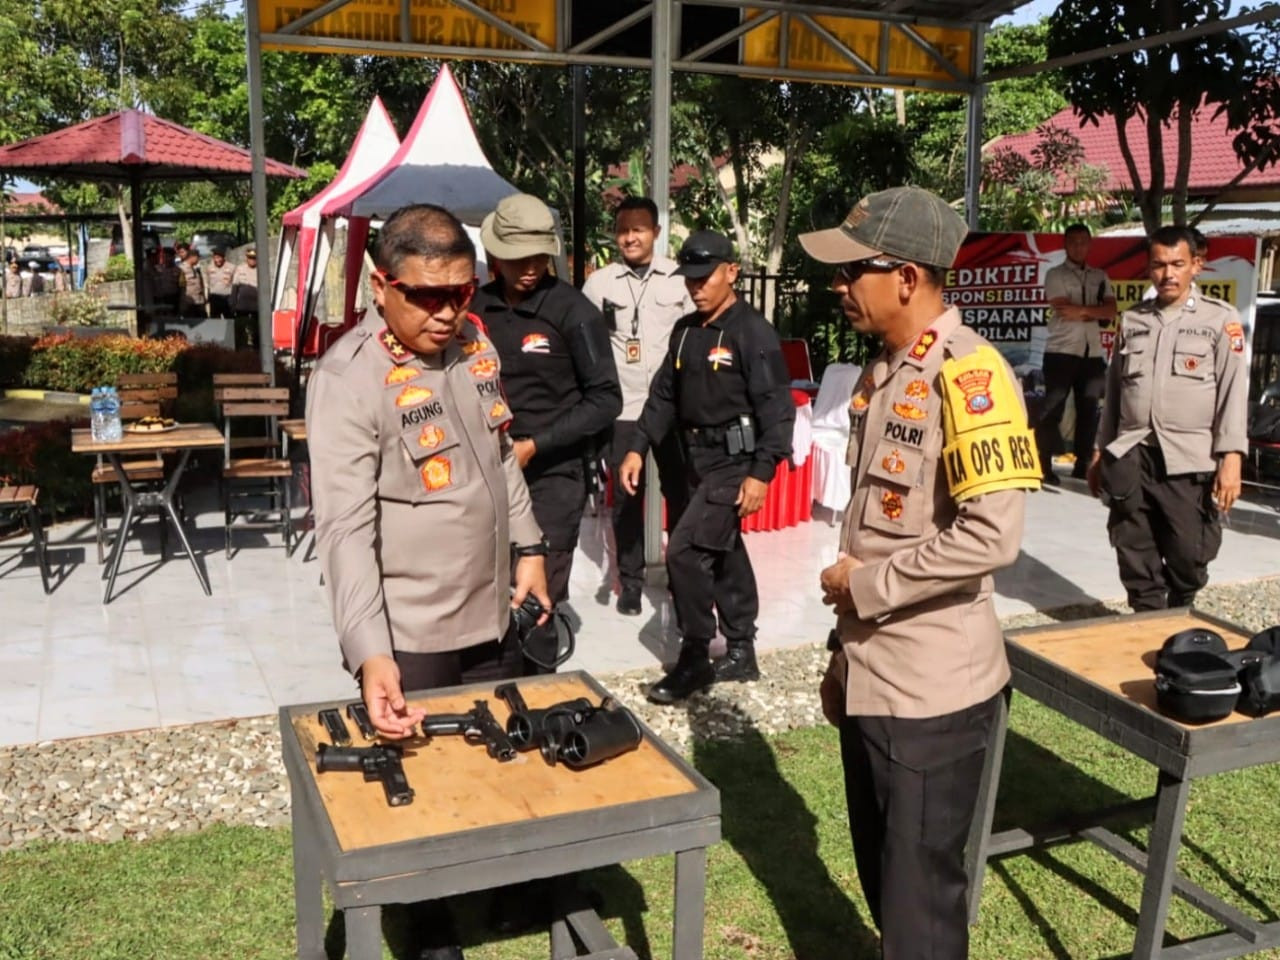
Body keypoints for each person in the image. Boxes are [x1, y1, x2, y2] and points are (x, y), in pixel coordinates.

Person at [306, 203, 550, 960]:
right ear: (382, 285)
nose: (447, 314)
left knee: (500, 753)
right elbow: (343, 531)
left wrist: (531, 547)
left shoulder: (475, 344)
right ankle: (429, 922)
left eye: (462, 293)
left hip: (493, 607)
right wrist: (369, 651)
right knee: (417, 782)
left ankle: (509, 888)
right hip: (413, 625)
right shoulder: (348, 379)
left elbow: (501, 454)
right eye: (427, 296)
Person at [802, 186, 1039, 960]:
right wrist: (846, 654)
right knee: (884, 875)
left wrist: (862, 591)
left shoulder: (969, 375)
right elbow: (868, 524)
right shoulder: (886, 370)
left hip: (933, 692)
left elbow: (990, 537)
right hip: (875, 671)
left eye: (851, 272)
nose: (838, 287)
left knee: (921, 900)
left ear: (906, 277)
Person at [619, 230, 794, 704]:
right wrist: (636, 446)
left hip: (734, 462)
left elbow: (778, 407)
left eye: (705, 277)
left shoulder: (751, 331)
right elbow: (662, 398)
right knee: (722, 547)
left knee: (685, 550)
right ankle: (741, 649)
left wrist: (762, 471)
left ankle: (695, 653)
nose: (696, 287)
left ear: (731, 272)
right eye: (689, 279)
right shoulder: (685, 332)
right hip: (690, 460)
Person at [472, 193, 622, 618]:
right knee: (489, 587)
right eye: (519, 258)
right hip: (488, 468)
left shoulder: (573, 311)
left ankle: (538, 678)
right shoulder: (475, 309)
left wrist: (534, 445)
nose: (532, 267)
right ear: (495, 254)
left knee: (536, 597)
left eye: (539, 256)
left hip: (554, 473)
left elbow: (606, 399)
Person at [1087, 225, 1249, 611]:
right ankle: (1146, 617)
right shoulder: (1133, 320)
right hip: (1131, 452)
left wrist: (1231, 458)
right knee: (1132, 544)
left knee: (1188, 552)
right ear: (1148, 268)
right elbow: (1115, 394)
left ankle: (1181, 606)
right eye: (1159, 265)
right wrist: (1099, 451)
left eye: (1178, 264)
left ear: (1197, 265)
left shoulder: (1219, 320)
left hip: (1188, 458)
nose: (1168, 274)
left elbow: (1232, 393)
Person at [581, 196, 693, 615]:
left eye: (639, 229)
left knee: (681, 496)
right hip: (624, 408)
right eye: (623, 230)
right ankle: (630, 582)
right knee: (626, 501)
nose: (630, 237)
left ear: (655, 233)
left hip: (672, 409)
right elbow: (588, 343)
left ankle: (684, 582)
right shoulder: (600, 285)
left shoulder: (679, 280)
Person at [1035, 223, 1116, 485]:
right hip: (1061, 350)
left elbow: (1111, 312)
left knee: (1089, 409)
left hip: (1092, 353)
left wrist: (1083, 310)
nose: (1078, 246)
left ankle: (1083, 466)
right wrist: (1094, 310)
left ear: (1090, 244)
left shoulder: (1100, 276)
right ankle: (1042, 464)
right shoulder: (1055, 274)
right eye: (1073, 242)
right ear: (1065, 244)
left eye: (1083, 241)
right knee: (1053, 409)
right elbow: (1063, 310)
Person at [230, 247, 260, 349]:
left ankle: (257, 352)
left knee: (257, 332)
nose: (252, 260)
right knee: (240, 330)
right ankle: (240, 351)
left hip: (256, 307)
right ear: (246, 258)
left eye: (254, 258)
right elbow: (234, 288)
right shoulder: (240, 269)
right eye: (250, 258)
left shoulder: (261, 270)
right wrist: (233, 305)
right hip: (242, 307)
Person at [206, 246, 235, 319]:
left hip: (227, 298)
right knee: (215, 320)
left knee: (229, 320)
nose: (217, 260)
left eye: (219, 258)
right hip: (214, 298)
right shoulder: (209, 268)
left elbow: (235, 284)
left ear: (223, 257)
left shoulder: (232, 267)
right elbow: (208, 283)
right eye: (215, 258)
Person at [179, 248, 206, 318]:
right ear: (192, 257)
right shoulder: (182, 269)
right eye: (198, 258)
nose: (198, 260)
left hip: (199, 301)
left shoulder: (194, 268)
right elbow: (181, 286)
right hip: (189, 303)